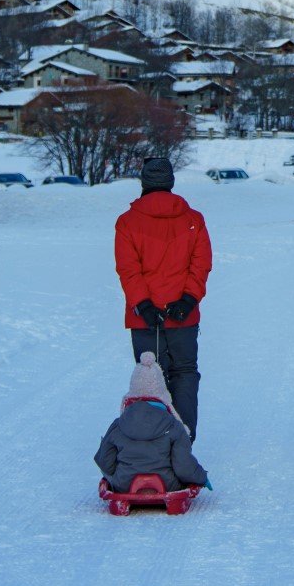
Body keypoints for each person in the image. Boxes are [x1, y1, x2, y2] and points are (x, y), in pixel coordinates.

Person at [115, 156, 212, 439]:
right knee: (184, 374)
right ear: (170, 182)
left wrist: (144, 305)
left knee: (149, 380)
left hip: (146, 320)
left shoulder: (127, 222)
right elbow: (201, 264)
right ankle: (183, 440)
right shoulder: (194, 220)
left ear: (144, 182)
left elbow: (128, 269)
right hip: (183, 317)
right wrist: (187, 301)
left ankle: (151, 444)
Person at [95, 351, 209, 492]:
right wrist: (202, 478)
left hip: (124, 484)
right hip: (167, 484)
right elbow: (183, 466)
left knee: (107, 463)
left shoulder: (118, 425)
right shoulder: (174, 425)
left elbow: (105, 463)